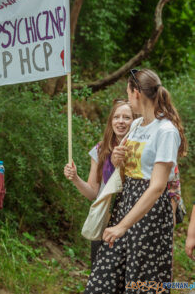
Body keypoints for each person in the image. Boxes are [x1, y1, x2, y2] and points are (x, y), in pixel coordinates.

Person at [84, 68, 188, 293]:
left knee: (141, 283)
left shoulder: (166, 131)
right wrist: (116, 158)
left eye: (128, 93)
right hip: (125, 202)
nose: (128, 99)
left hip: (150, 213)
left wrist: (122, 226)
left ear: (136, 92)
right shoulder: (136, 125)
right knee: (103, 278)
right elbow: (124, 168)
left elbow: (158, 186)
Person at [63, 100, 135, 267]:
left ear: (135, 120)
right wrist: (75, 178)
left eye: (127, 117)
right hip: (106, 219)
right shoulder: (100, 150)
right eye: (117, 117)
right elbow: (93, 193)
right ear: (111, 121)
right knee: (100, 271)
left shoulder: (140, 148)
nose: (121, 121)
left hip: (132, 218)